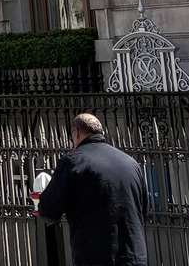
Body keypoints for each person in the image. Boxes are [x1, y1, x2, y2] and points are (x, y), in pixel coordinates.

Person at [37, 113, 148, 266]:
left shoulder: (73, 161)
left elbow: (48, 209)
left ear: (76, 132)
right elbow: (143, 209)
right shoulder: (131, 162)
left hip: (94, 256)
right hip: (133, 256)